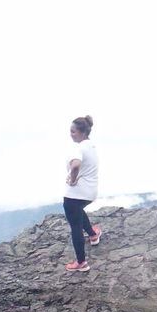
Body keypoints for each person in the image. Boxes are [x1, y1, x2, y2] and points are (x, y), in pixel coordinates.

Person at [63, 114, 101, 272]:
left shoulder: (78, 148)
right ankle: (93, 235)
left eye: (73, 132)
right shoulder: (90, 146)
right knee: (79, 212)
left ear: (82, 133)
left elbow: (76, 165)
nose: (70, 134)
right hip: (90, 192)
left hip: (75, 194)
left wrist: (72, 179)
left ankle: (81, 262)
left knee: (75, 227)